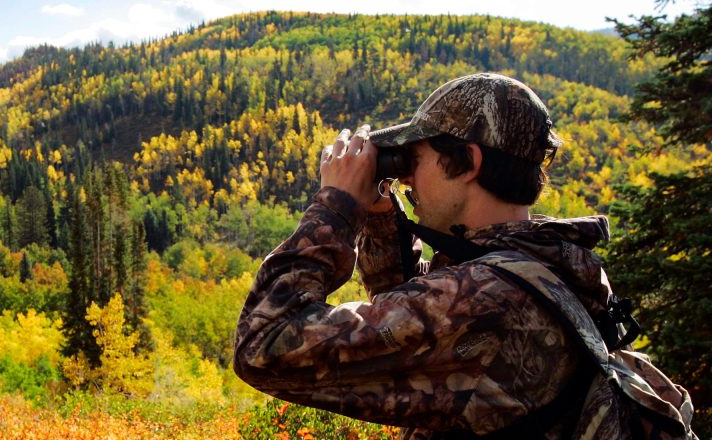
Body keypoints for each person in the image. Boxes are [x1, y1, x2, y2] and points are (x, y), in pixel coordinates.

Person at [233, 73, 616, 438]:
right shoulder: (548, 264)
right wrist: (382, 220)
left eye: (413, 159)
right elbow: (415, 317)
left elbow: (263, 343)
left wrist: (337, 207)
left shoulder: (482, 301)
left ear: (469, 162)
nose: (405, 178)